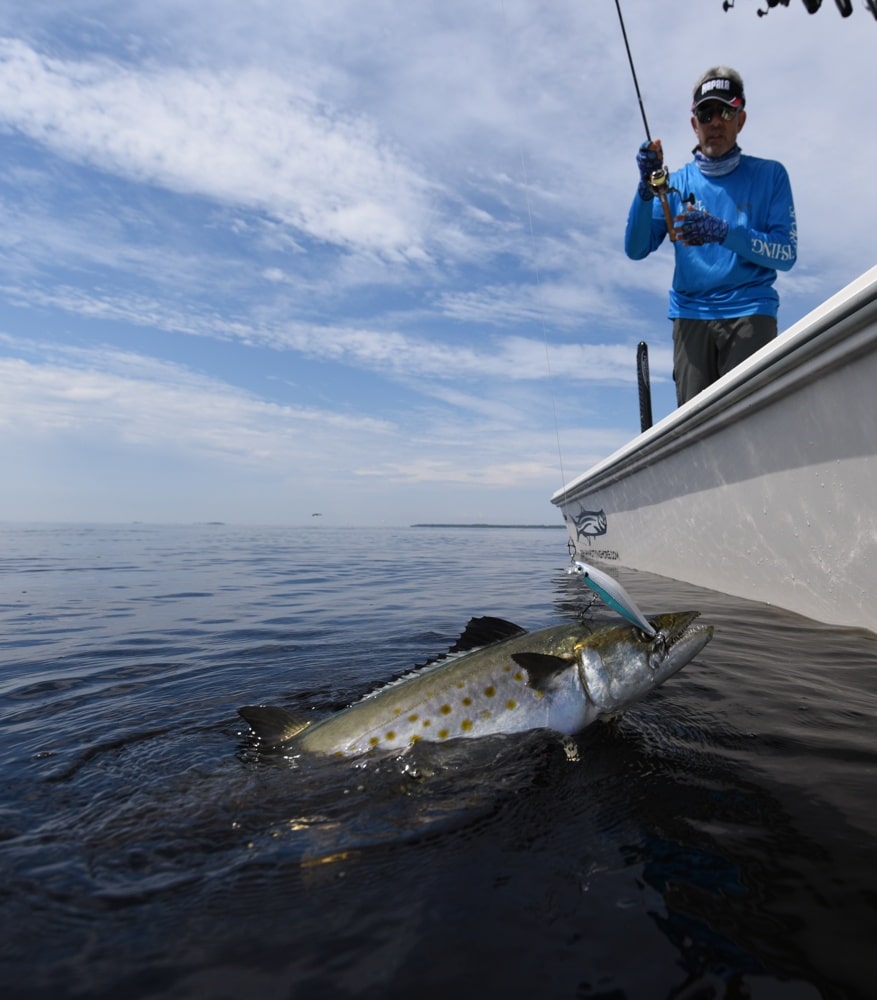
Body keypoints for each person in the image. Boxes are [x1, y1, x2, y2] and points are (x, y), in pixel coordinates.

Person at [624, 66, 797, 405]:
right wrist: (646, 192)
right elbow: (636, 247)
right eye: (706, 112)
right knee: (695, 430)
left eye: (726, 111)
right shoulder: (675, 185)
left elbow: (786, 254)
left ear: (740, 119)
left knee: (750, 417)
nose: (715, 121)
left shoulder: (771, 176)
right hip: (690, 316)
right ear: (694, 123)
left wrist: (725, 233)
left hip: (751, 310)